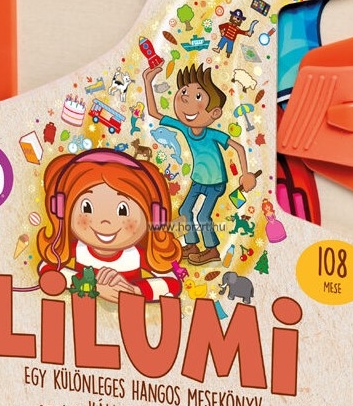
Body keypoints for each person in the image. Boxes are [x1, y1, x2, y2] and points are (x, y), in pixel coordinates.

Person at [143, 63, 257, 265]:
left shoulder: (213, 134)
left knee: (203, 216)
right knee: (184, 211)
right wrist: (147, 81)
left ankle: (212, 250)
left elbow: (239, 148)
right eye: (184, 92)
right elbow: (154, 112)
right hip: (198, 179)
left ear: (215, 113)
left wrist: (246, 174)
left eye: (197, 97)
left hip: (216, 183)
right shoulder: (185, 128)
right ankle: (192, 245)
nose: (185, 99)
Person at [36, 150, 182, 302]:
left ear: (155, 217)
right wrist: (93, 286)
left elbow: (173, 283)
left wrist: (134, 290)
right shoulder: (79, 249)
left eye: (123, 210)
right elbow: (46, 267)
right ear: (61, 210)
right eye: (87, 208)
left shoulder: (136, 255)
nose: (105, 221)